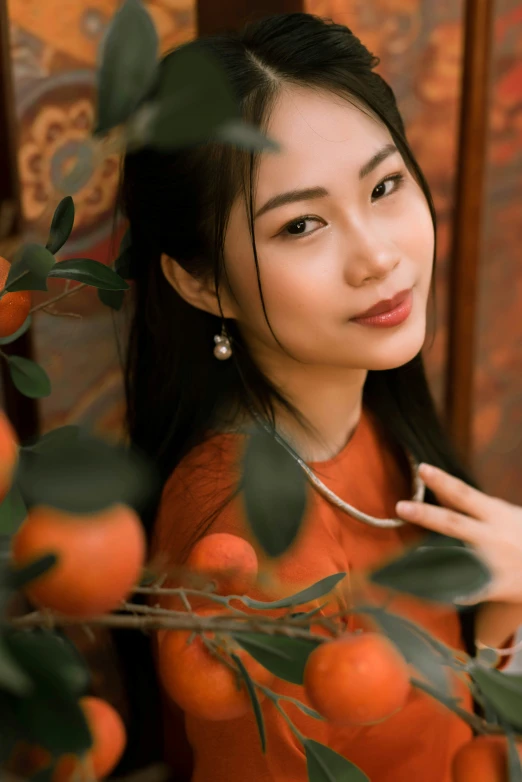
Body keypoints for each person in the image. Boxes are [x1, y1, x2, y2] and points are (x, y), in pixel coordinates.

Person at [112, 12, 522, 782]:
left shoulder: (361, 422)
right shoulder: (247, 544)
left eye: (385, 185)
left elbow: (452, 724)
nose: (376, 256)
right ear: (200, 280)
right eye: (302, 224)